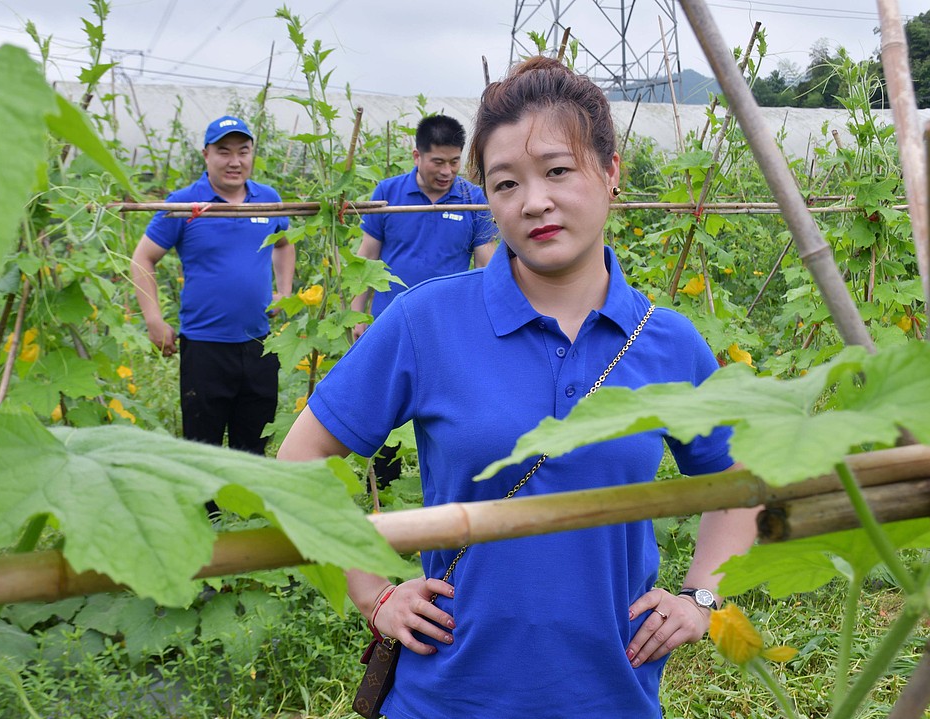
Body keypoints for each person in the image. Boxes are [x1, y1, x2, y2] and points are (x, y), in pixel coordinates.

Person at [279, 57, 758, 719]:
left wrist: (703, 597)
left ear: (611, 173)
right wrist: (373, 591)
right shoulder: (425, 321)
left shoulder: (667, 342)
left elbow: (739, 480)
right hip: (445, 697)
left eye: (558, 170)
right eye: (506, 183)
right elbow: (297, 460)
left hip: (611, 695)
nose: (534, 201)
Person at [132, 115, 294, 456]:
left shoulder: (268, 199)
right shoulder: (185, 203)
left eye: (243, 151)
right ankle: (205, 510)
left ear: (252, 154)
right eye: (224, 152)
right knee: (201, 445)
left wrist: (286, 291)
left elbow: (284, 243)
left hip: (258, 345)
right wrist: (153, 319)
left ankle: (246, 507)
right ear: (206, 154)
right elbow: (142, 259)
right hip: (205, 346)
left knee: (252, 441)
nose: (235, 161)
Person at [351, 114, 498, 484]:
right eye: (438, 162)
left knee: (448, 415)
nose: (447, 171)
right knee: (386, 415)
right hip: (389, 325)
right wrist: (356, 314)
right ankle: (385, 492)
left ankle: (443, 491)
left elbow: (487, 263)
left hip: (449, 329)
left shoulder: (472, 200)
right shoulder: (388, 194)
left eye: (454, 161)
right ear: (417, 155)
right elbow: (365, 259)